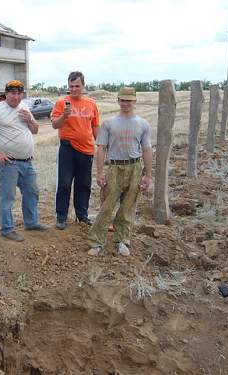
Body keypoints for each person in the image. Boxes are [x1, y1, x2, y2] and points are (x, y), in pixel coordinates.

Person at [0, 80, 48, 242]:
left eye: (18, 93)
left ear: (22, 94)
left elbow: (35, 130)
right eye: (12, 93)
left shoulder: (24, 107)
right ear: (6, 93)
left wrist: (30, 119)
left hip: (27, 162)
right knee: (8, 197)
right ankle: (7, 229)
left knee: (32, 192)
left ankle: (31, 223)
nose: (16, 97)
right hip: (9, 163)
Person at [87, 87, 152, 256]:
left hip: (135, 168)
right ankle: (97, 242)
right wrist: (100, 172)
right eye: (123, 100)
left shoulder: (143, 124)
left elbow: (146, 150)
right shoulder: (109, 124)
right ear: (118, 100)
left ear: (135, 101)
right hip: (114, 168)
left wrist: (148, 174)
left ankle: (121, 241)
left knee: (128, 207)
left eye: (129, 100)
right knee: (107, 207)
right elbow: (101, 148)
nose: (125, 103)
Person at [51, 71, 100, 229]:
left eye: (77, 86)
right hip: (68, 148)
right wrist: (64, 117)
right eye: (71, 86)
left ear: (83, 86)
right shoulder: (61, 102)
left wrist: (101, 144)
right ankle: (61, 217)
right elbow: (55, 125)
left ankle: (82, 215)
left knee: (84, 184)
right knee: (64, 183)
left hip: (86, 150)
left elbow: (95, 126)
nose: (74, 89)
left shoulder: (91, 104)